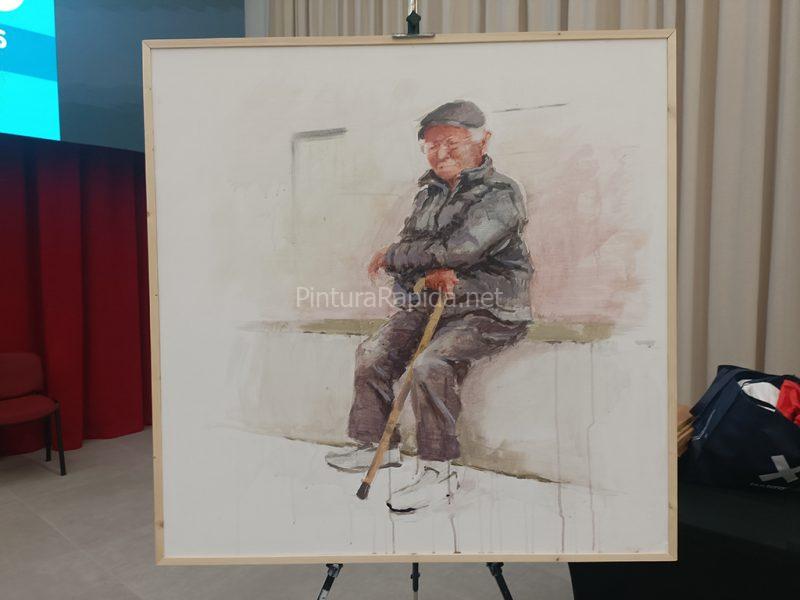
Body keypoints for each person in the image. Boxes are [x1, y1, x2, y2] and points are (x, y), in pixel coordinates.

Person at [325, 100, 534, 513]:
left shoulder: (501, 193)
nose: (441, 153)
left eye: (452, 143)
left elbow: (462, 249)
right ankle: (377, 446)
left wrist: (397, 256)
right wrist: (422, 272)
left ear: (482, 142)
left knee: (431, 365)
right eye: (432, 145)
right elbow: (413, 258)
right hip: (431, 305)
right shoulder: (427, 195)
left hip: (490, 309)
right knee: (372, 352)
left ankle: (438, 470)